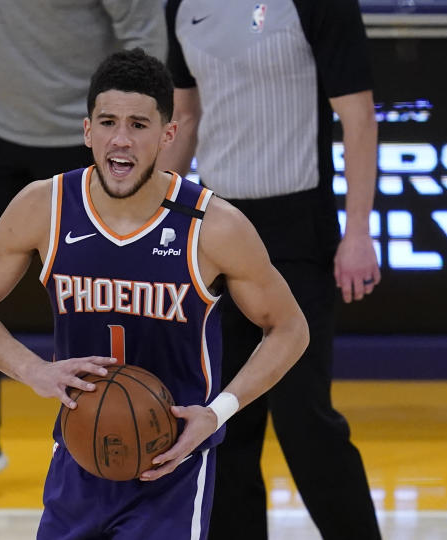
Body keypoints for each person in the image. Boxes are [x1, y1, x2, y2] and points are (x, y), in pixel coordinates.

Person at [0, 48, 309, 539]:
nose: (121, 139)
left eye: (139, 124)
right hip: (78, 457)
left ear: (168, 134)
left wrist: (219, 412)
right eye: (108, 121)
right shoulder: (44, 208)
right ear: (87, 130)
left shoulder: (212, 226)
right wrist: (31, 369)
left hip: (172, 466)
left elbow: (289, 327)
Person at [0, 1, 167, 504]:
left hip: (90, 137)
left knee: (120, 295)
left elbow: (142, 31)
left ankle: (137, 441)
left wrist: (136, 143)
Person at [159, 1, 382, 538]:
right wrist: (147, 226)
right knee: (225, 422)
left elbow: (358, 118)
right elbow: (185, 118)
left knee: (305, 419)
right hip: (214, 232)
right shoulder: (182, 4)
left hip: (298, 231)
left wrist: (357, 232)